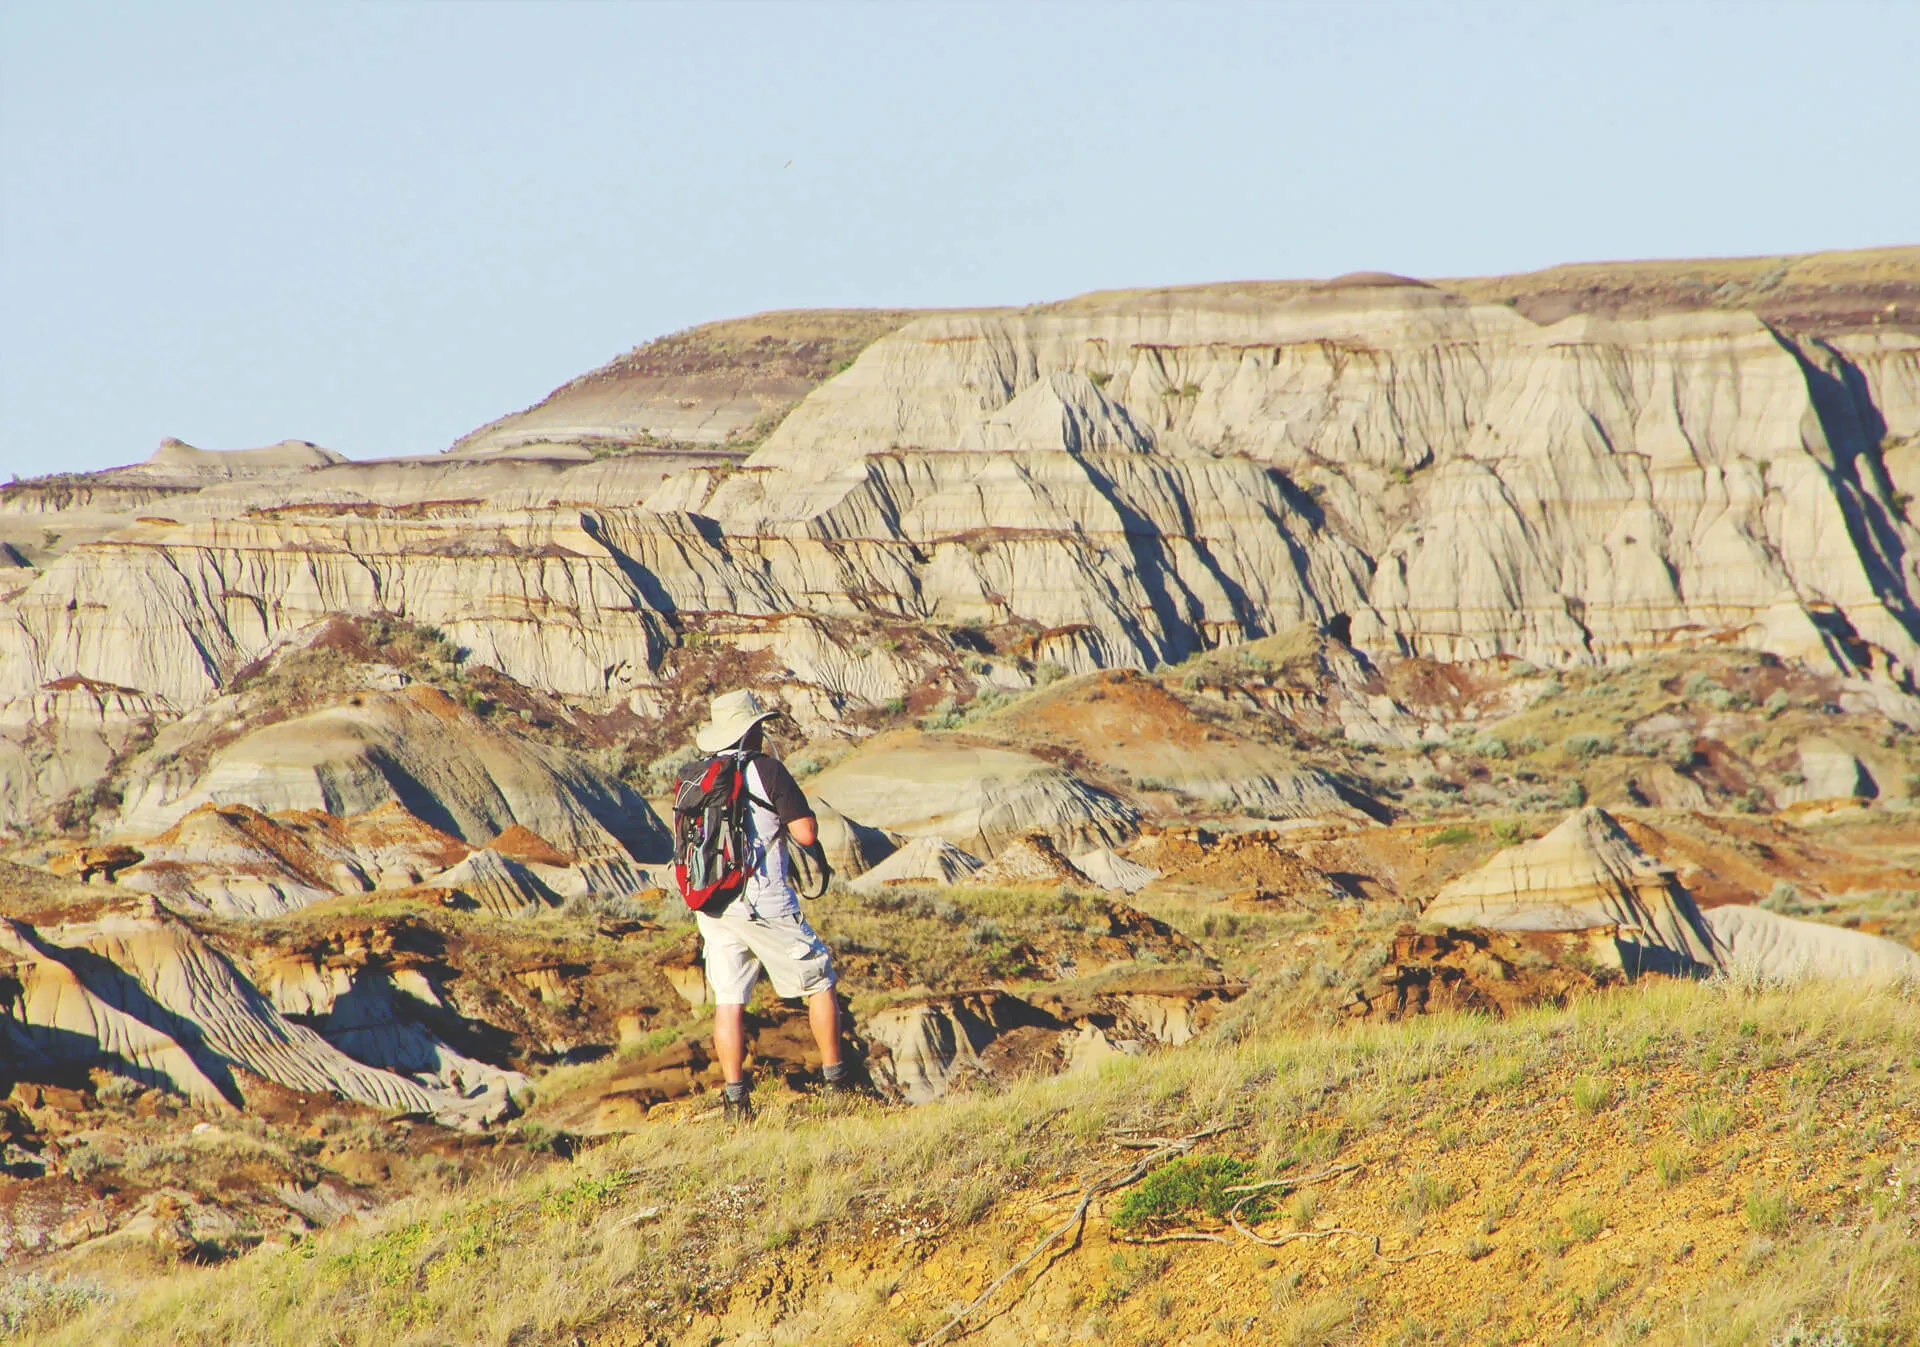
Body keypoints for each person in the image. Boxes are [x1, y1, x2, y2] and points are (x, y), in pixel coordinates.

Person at [681, 690, 844, 1124]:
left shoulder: (697, 776)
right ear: (750, 729)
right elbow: (805, 834)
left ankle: (736, 1102)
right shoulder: (767, 770)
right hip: (763, 898)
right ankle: (837, 1085)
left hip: (713, 903)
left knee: (729, 1000)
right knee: (818, 977)